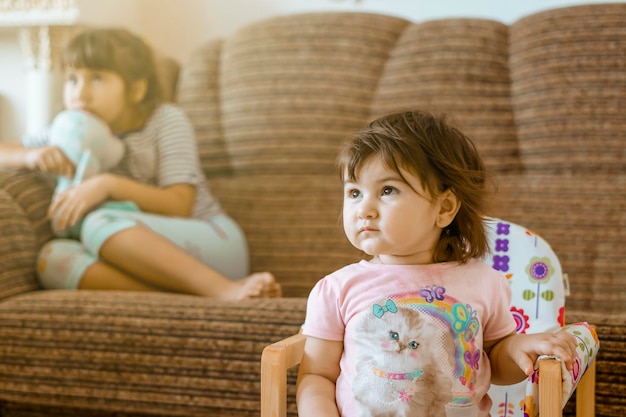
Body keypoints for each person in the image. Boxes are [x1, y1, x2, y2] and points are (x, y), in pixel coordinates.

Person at [296, 110, 577, 417]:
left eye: (387, 190)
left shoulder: (484, 282)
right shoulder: (337, 288)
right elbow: (317, 375)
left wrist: (517, 349)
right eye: (354, 192)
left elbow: (496, 359)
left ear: (444, 208)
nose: (364, 209)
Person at [0, 28, 280, 300]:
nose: (80, 93)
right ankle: (185, 298)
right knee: (53, 258)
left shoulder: (165, 121)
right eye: (72, 79)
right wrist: (30, 156)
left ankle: (223, 290)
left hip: (212, 242)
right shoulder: (71, 132)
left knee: (97, 222)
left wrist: (107, 185)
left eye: (96, 78)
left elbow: (179, 204)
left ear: (135, 89)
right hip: (142, 263)